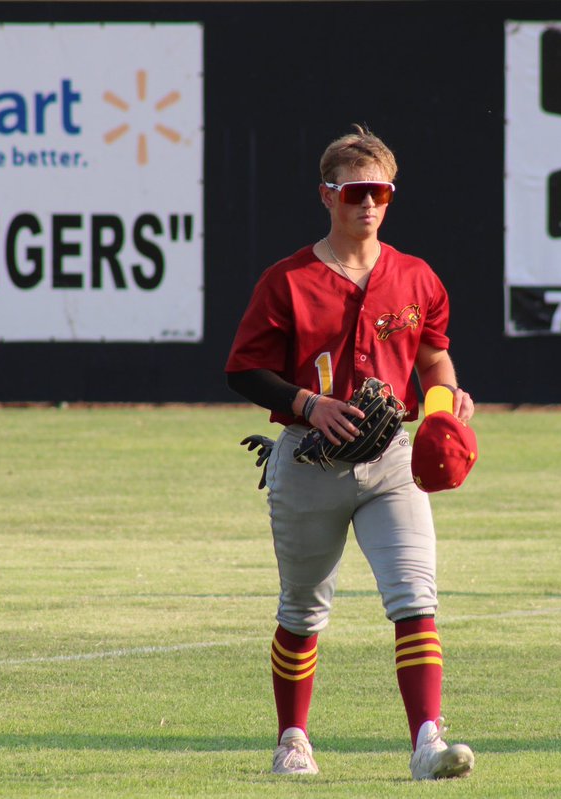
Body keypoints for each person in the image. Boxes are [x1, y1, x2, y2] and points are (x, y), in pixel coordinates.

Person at [224, 124, 476, 781]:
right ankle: (292, 739)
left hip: (391, 459)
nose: (368, 203)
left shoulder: (416, 277)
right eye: (354, 191)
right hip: (310, 461)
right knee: (302, 610)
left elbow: (435, 360)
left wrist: (444, 407)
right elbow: (243, 369)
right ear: (326, 195)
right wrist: (309, 404)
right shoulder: (288, 280)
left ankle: (427, 741)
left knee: (415, 597)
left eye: (380, 192)